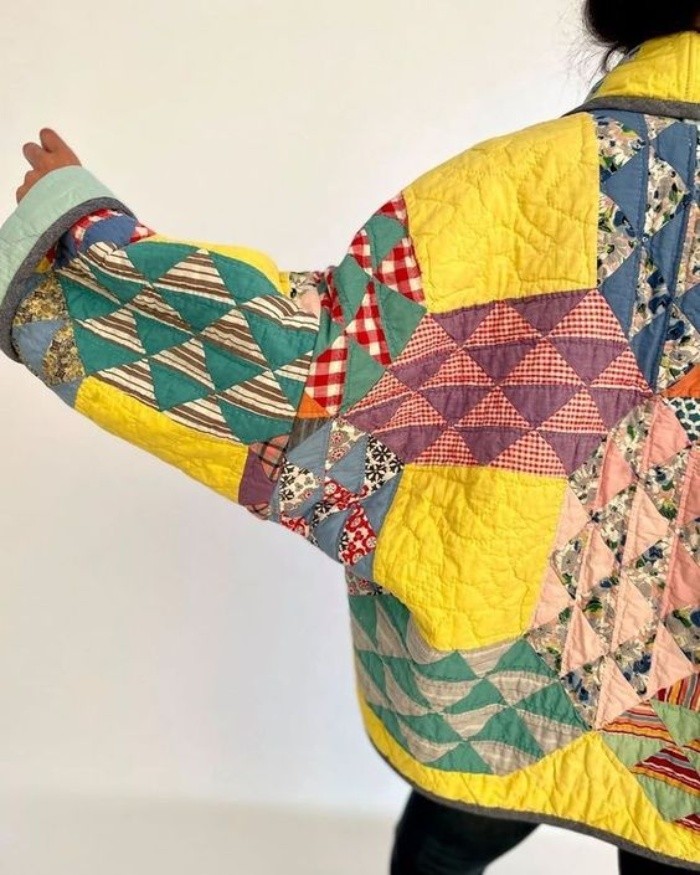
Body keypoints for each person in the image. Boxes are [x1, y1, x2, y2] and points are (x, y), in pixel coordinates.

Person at [1, 2, 699, 873]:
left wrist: (88, 248)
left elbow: (319, 377)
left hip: (514, 665)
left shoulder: (522, 180)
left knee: (449, 837)